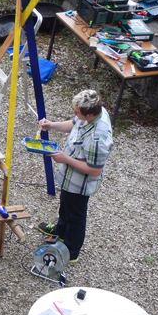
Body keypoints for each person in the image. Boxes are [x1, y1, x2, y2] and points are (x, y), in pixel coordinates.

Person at [37, 90, 113, 263]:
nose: (74, 113)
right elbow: (74, 123)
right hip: (69, 179)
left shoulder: (98, 139)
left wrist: (67, 159)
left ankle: (72, 251)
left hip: (80, 184)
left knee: (76, 216)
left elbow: (95, 170)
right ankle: (60, 230)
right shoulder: (89, 114)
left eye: (77, 111)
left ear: (91, 114)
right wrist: (52, 125)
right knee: (65, 204)